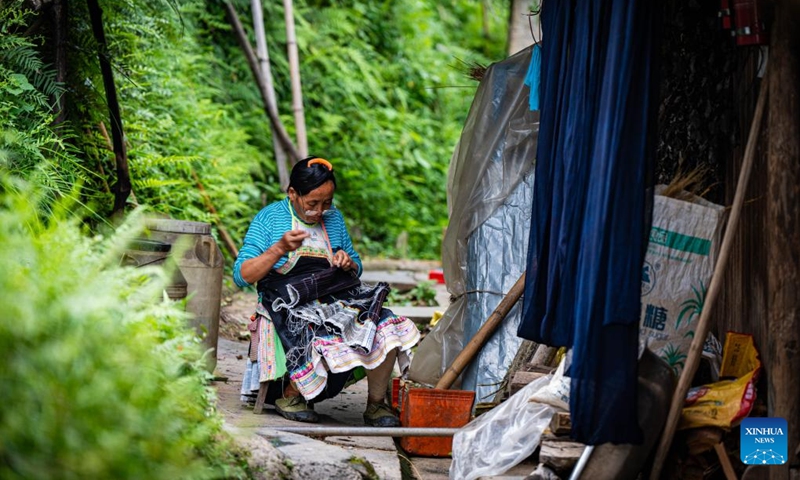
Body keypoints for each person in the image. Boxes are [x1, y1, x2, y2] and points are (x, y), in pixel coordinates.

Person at [234, 156, 420, 426]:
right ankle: (291, 394)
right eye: (312, 204)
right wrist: (279, 249)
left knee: (382, 320)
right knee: (315, 326)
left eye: (327, 203)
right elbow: (241, 275)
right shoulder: (270, 219)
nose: (320, 211)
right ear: (293, 194)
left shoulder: (334, 220)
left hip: (333, 295)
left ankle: (377, 405)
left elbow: (356, 267)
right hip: (288, 301)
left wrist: (348, 261)